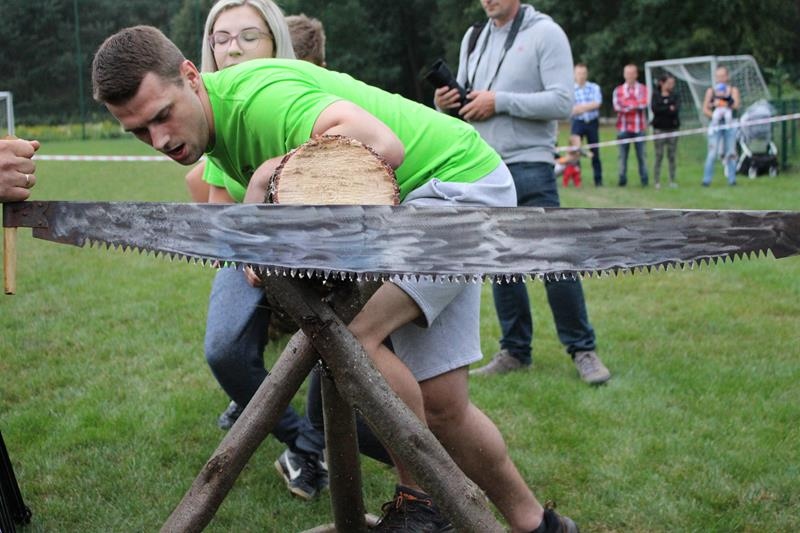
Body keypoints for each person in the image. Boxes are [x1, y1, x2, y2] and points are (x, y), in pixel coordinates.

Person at [92, 24, 578, 533]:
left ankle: (421, 504)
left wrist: (268, 173)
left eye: (162, 116)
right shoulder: (213, 124)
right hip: (435, 194)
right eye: (139, 132)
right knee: (444, 407)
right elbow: (227, 217)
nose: (160, 140)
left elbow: (383, 146)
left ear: (191, 77)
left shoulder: (259, 100)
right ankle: (539, 525)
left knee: (351, 335)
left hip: (454, 190)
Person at [184, 0, 331, 502]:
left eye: (248, 37)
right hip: (250, 249)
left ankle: (316, 447)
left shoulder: (292, 98)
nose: (232, 49)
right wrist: (239, 241)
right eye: (221, 39)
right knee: (225, 350)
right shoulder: (213, 118)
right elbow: (215, 198)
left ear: (275, 43)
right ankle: (302, 440)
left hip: (318, 247)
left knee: (334, 342)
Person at [435, 0, 610, 386]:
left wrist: (498, 101)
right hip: (485, 166)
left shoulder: (546, 33)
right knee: (501, 264)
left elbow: (563, 102)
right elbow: (466, 102)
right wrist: (444, 103)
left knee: (554, 259)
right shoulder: (474, 36)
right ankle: (514, 351)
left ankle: (583, 349)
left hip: (531, 164)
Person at [701, 66, 740, 187]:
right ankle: (706, 180)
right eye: (718, 76)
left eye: (722, 76)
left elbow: (736, 105)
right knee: (712, 153)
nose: (720, 78)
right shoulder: (711, 91)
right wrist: (714, 116)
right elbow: (705, 108)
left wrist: (724, 103)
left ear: (727, 77)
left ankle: (732, 180)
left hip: (729, 124)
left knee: (731, 152)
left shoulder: (733, 90)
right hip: (716, 125)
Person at [612, 64, 649, 187]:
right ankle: (622, 180)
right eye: (627, 73)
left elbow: (644, 104)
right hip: (623, 128)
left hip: (639, 128)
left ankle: (644, 180)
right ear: (624, 75)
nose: (630, 76)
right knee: (622, 157)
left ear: (636, 74)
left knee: (642, 156)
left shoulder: (643, 89)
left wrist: (627, 104)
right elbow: (617, 107)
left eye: (632, 73)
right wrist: (635, 104)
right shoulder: (618, 90)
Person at [570, 63, 602, 186]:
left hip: (592, 123)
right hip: (577, 123)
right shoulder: (570, 90)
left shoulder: (594, 87)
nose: (581, 76)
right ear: (574, 75)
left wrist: (579, 108)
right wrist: (589, 106)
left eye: (583, 73)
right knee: (576, 152)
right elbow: (570, 110)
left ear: (587, 74)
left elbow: (597, 103)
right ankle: (577, 180)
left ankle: (598, 180)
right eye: (579, 73)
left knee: (595, 152)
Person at [650, 73, 680, 189]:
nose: (671, 85)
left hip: (673, 129)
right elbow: (655, 109)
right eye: (669, 83)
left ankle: (672, 180)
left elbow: (676, 109)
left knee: (672, 156)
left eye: (673, 83)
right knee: (659, 155)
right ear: (662, 83)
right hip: (659, 129)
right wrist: (668, 107)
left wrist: (665, 108)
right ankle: (656, 181)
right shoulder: (655, 95)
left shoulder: (675, 95)